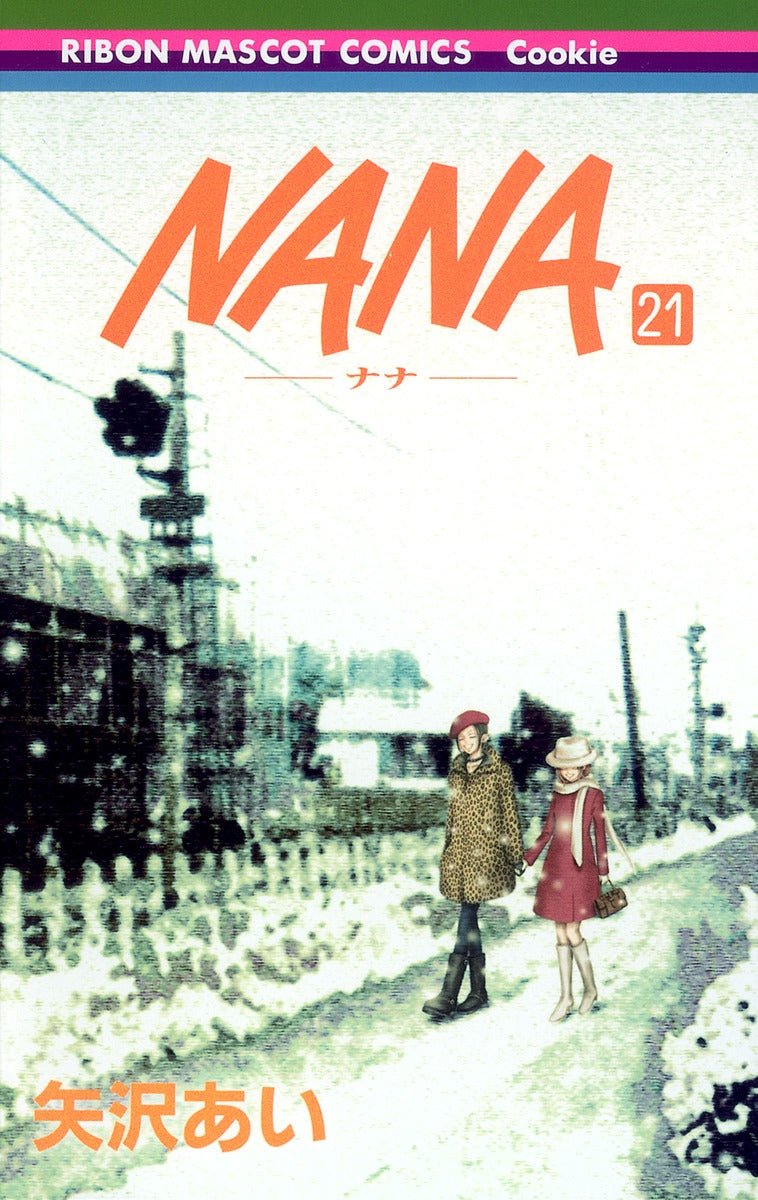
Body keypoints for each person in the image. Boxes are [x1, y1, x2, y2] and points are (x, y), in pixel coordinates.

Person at [422, 710, 524, 1020]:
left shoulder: (499, 772)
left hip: (487, 855)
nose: (466, 743)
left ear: (484, 737)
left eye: (470, 737)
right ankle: (478, 992)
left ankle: (449, 992)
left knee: (467, 913)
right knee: (470, 918)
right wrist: (448, 852)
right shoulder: (456, 772)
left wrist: (515, 853)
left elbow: (509, 813)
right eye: (460, 739)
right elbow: (452, 816)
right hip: (460, 855)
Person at [523, 735, 609, 1021]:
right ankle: (566, 996)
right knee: (560, 933)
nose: (569, 772)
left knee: (572, 931)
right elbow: (547, 831)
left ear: (584, 767)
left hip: (581, 868)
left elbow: (600, 834)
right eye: (564, 767)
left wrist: (604, 870)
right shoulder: (558, 793)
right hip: (556, 866)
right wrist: (528, 858)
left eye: (574, 766)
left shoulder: (593, 794)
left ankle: (590, 990)